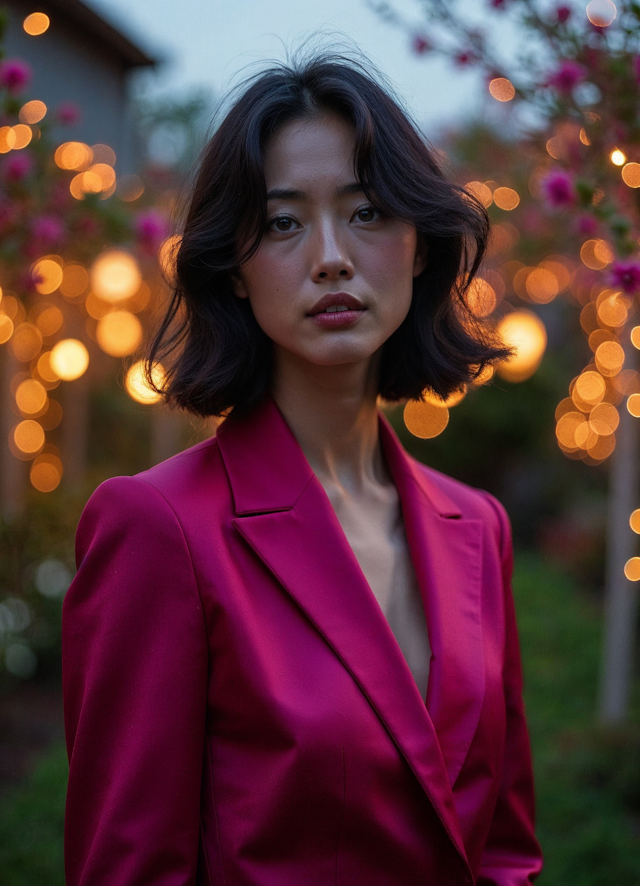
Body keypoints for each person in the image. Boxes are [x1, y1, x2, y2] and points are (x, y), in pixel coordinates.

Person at [62, 52, 543, 886]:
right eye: (284, 223)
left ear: (420, 246)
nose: (330, 257)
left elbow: (504, 848)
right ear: (236, 271)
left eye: (366, 212)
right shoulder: (158, 529)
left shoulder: (478, 526)